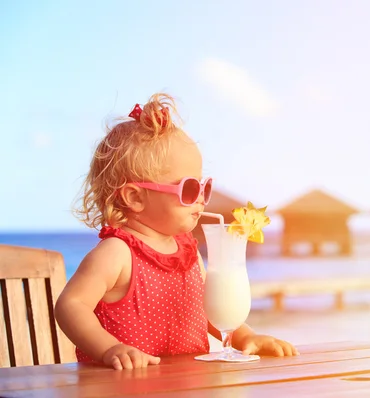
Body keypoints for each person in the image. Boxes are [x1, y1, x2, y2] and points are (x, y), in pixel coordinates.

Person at [55, 93, 298, 370]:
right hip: (124, 387)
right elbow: (71, 305)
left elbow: (209, 310)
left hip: (187, 385)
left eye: (204, 187)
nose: (202, 199)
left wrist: (247, 337)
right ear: (135, 198)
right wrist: (109, 349)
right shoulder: (117, 253)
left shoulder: (188, 251)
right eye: (189, 189)